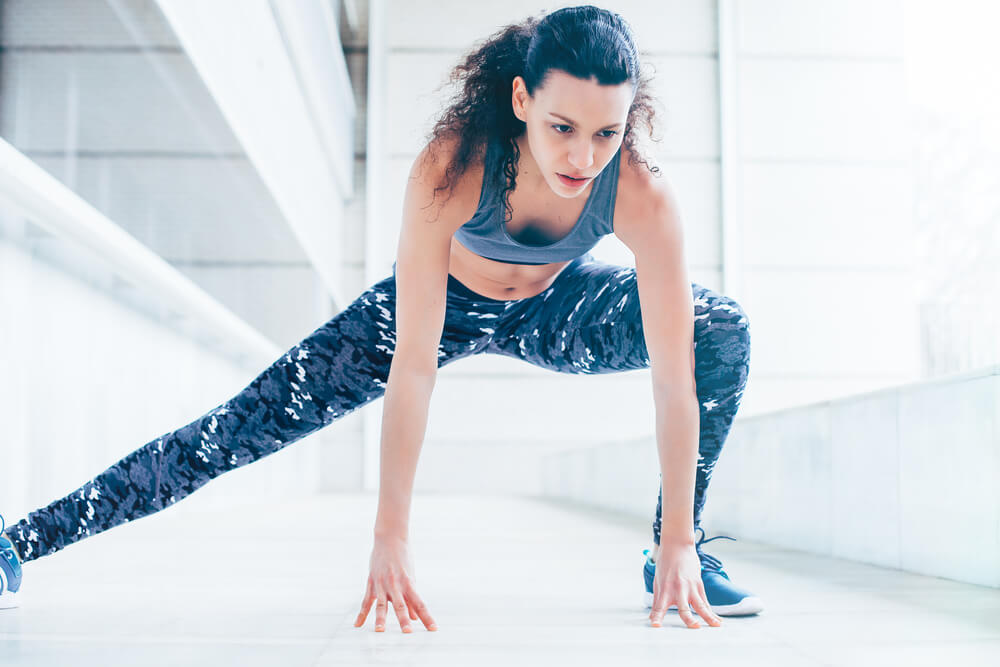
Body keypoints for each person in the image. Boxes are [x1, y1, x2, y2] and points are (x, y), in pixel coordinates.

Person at [0, 4, 764, 630]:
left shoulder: (644, 193)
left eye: (607, 132)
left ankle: (679, 552)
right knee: (234, 428)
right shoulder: (455, 163)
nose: (583, 157)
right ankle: (19, 538)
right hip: (441, 304)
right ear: (523, 101)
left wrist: (676, 539)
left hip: (557, 305)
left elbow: (673, 379)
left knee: (720, 327)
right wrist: (389, 535)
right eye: (563, 127)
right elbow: (414, 364)